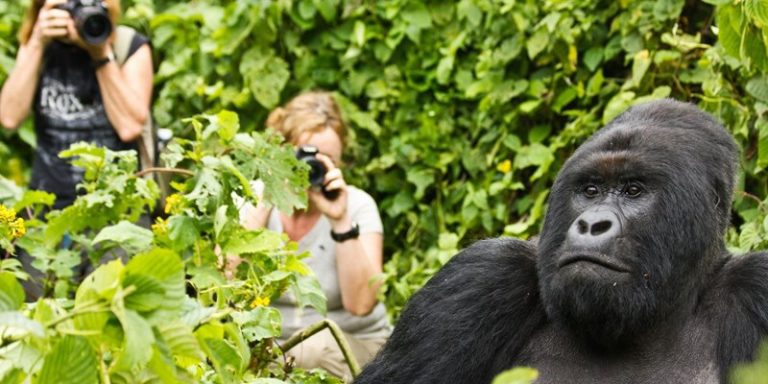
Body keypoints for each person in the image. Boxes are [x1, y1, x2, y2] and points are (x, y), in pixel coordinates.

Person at [239, 91, 390, 381]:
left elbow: (361, 305)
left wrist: (340, 220)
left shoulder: (357, 206)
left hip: (352, 346)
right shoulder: (252, 199)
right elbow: (225, 280)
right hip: (272, 348)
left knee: (315, 349)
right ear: (282, 152)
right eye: (304, 156)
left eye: (327, 159)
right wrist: (272, 193)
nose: (311, 169)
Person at [0, 0, 153, 209]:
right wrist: (36, 42)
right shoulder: (40, 45)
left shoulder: (127, 44)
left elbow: (130, 128)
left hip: (117, 207)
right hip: (48, 203)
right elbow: (9, 118)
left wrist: (100, 53)